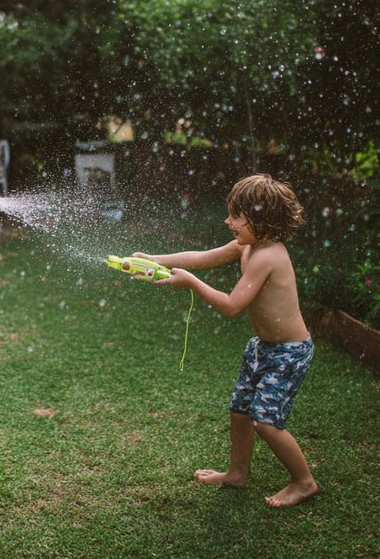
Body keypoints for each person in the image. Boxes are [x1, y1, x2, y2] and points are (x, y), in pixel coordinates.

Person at [132, 173, 318, 508]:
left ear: (260, 220)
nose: (228, 221)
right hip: (263, 348)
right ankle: (236, 473)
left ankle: (303, 481)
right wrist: (154, 260)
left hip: (289, 353)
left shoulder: (267, 257)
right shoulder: (248, 245)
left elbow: (232, 306)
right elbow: (202, 257)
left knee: (265, 422)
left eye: (236, 216)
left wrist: (192, 284)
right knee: (240, 412)